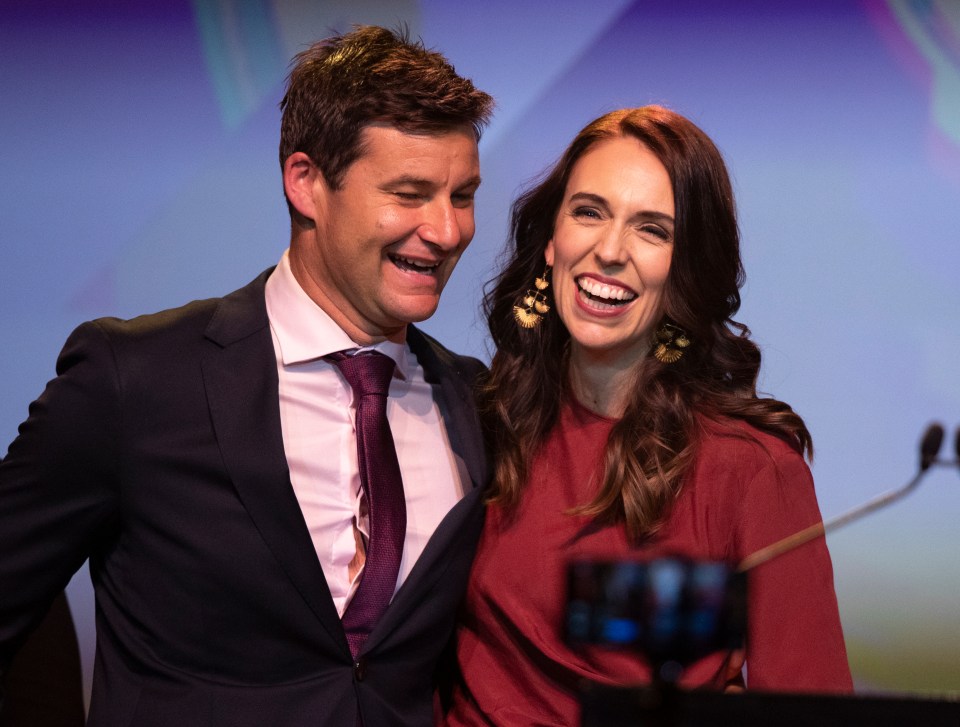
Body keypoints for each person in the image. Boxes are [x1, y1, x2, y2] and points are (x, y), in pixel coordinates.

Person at [0, 25, 493, 726]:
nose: (446, 231)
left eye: (463, 195)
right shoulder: (132, 381)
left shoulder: (477, 404)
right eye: (410, 193)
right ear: (307, 184)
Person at [441, 106, 852, 726]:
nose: (609, 251)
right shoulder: (476, 419)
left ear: (685, 269)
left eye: (652, 230)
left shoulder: (751, 470)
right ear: (551, 241)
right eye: (589, 212)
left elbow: (812, 709)